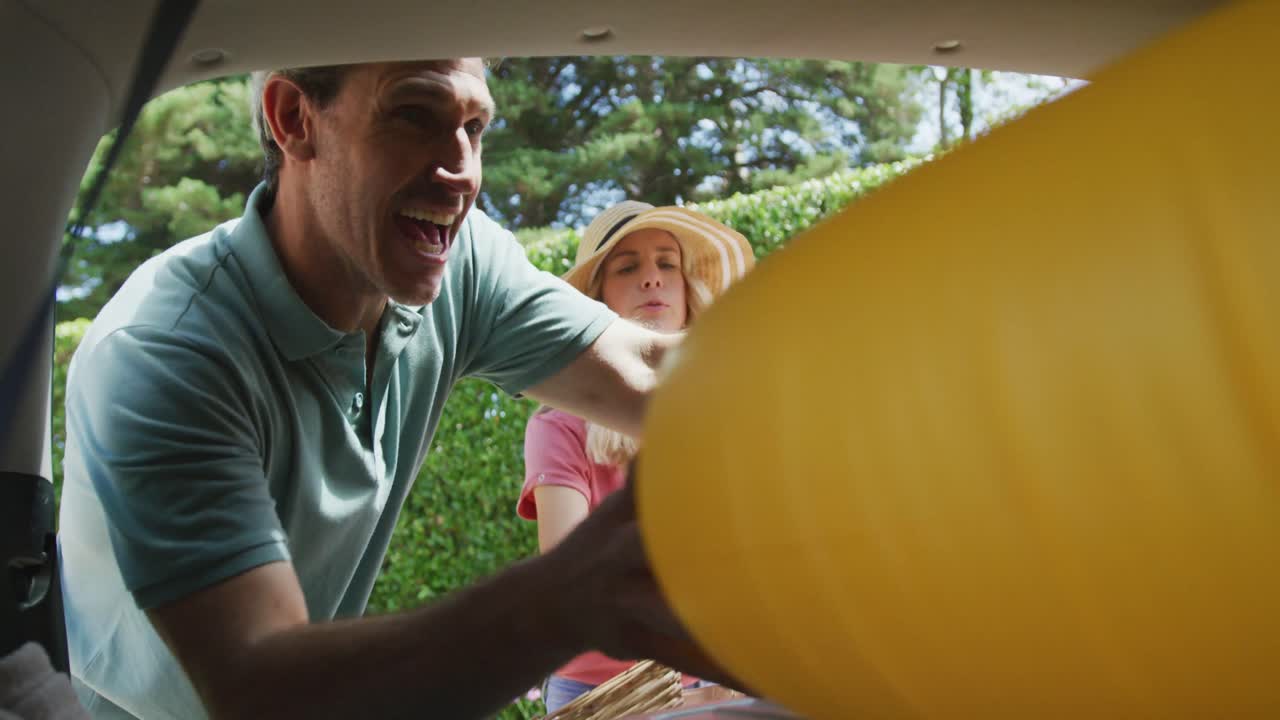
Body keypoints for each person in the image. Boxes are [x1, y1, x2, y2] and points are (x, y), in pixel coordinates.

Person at [56, 58, 734, 720]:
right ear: (293, 119)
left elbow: (646, 371)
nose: (461, 171)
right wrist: (561, 602)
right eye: (414, 114)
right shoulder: (169, 351)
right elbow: (262, 685)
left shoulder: (459, 264)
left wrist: (823, 383)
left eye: (475, 127)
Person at [518, 201, 755, 713]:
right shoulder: (558, 426)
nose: (652, 279)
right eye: (628, 267)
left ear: (690, 293)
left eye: (666, 263)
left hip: (712, 680)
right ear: (594, 304)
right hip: (599, 697)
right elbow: (569, 583)